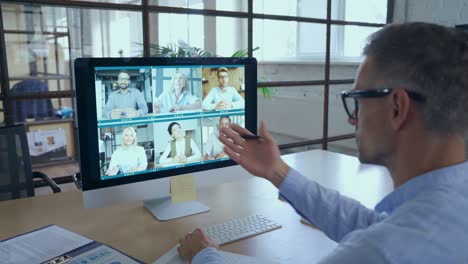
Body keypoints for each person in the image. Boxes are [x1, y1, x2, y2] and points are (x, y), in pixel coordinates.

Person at [177, 22, 468, 263]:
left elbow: (377, 240)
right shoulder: (446, 206)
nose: (352, 120)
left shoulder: (382, 251)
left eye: (358, 101)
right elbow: (369, 225)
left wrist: (204, 256)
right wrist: (277, 171)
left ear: (397, 107)